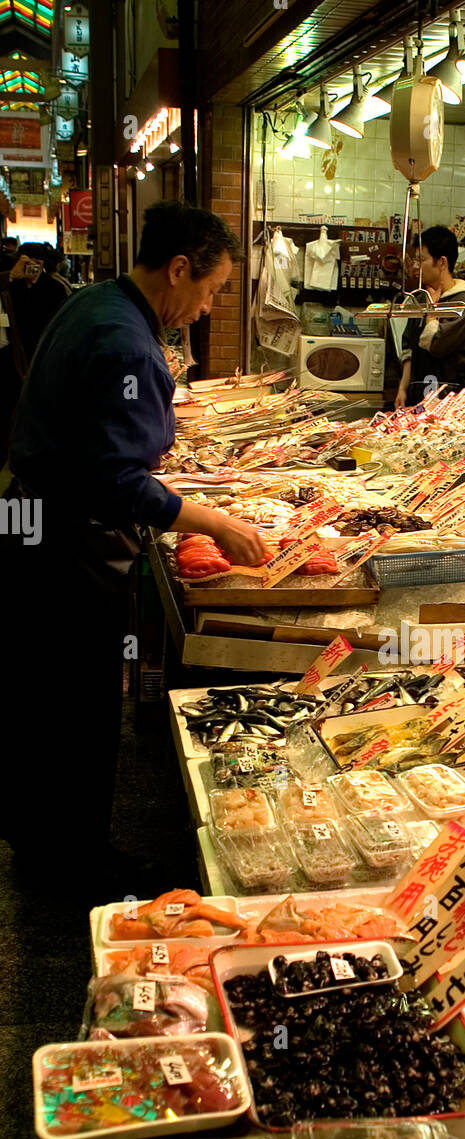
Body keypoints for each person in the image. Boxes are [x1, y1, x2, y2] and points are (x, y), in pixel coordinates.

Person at [0, 201, 266, 895]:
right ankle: (76, 867)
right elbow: (116, 481)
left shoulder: (97, 302)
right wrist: (212, 521)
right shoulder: (126, 342)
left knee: (44, 697)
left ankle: (40, 842)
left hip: (29, 520)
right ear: (179, 270)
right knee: (79, 705)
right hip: (69, 542)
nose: (208, 309)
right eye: (210, 291)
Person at [394, 225, 465, 409]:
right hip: (417, 394)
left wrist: (431, 314)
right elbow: (409, 345)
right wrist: (403, 387)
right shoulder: (420, 297)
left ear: (442, 262)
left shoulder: (464, 302)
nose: (416, 266)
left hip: (448, 400)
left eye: (421, 260)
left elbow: (436, 344)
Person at [0, 242, 71, 461]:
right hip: (11, 361)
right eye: (27, 263)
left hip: (44, 362)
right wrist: (11, 277)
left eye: (36, 263)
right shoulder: (9, 288)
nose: (32, 268)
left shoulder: (55, 288)